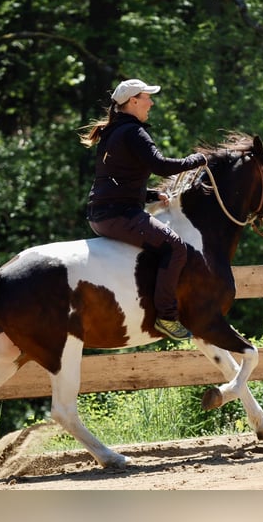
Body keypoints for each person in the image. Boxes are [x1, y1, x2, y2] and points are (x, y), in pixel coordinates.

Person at [80, 78, 207, 340]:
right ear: (133, 101)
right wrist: (195, 160)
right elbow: (160, 165)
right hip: (119, 214)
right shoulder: (133, 132)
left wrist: (149, 194)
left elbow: (114, 178)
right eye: (146, 97)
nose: (151, 102)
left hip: (101, 214)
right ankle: (167, 318)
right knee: (175, 247)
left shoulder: (112, 132)